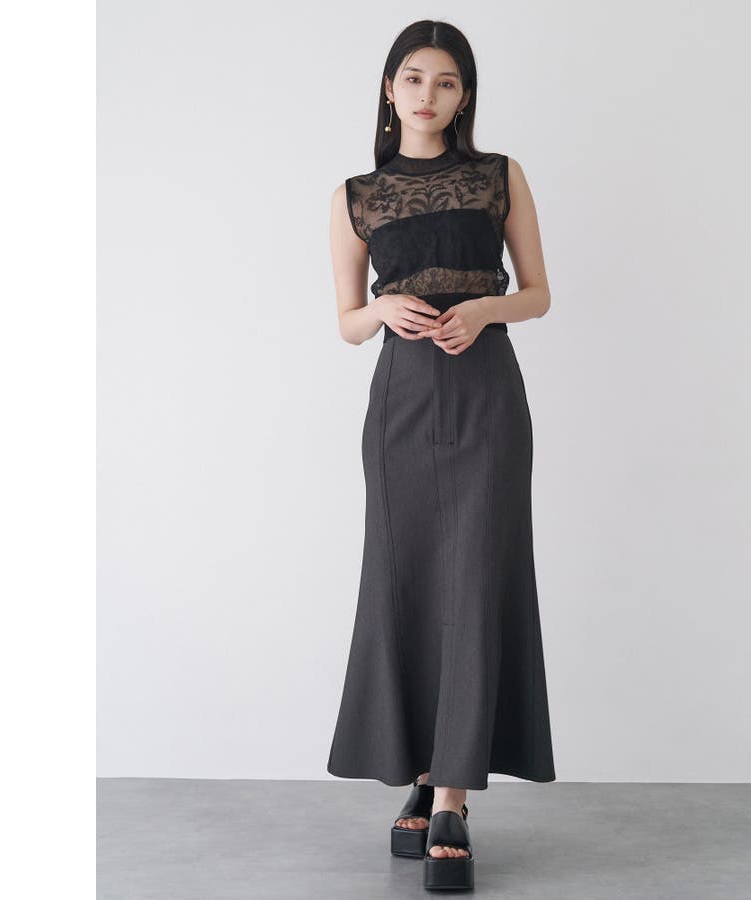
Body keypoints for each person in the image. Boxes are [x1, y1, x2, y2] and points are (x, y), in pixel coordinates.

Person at [327, 19, 556, 891]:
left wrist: (485, 309)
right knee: (407, 584)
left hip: (488, 395)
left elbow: (539, 293)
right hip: (401, 402)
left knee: (475, 582)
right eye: (414, 78)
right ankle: (422, 776)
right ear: (390, 90)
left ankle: (452, 799)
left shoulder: (500, 176)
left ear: (465, 97)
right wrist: (381, 311)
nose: (429, 94)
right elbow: (347, 323)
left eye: (448, 81)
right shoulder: (357, 195)